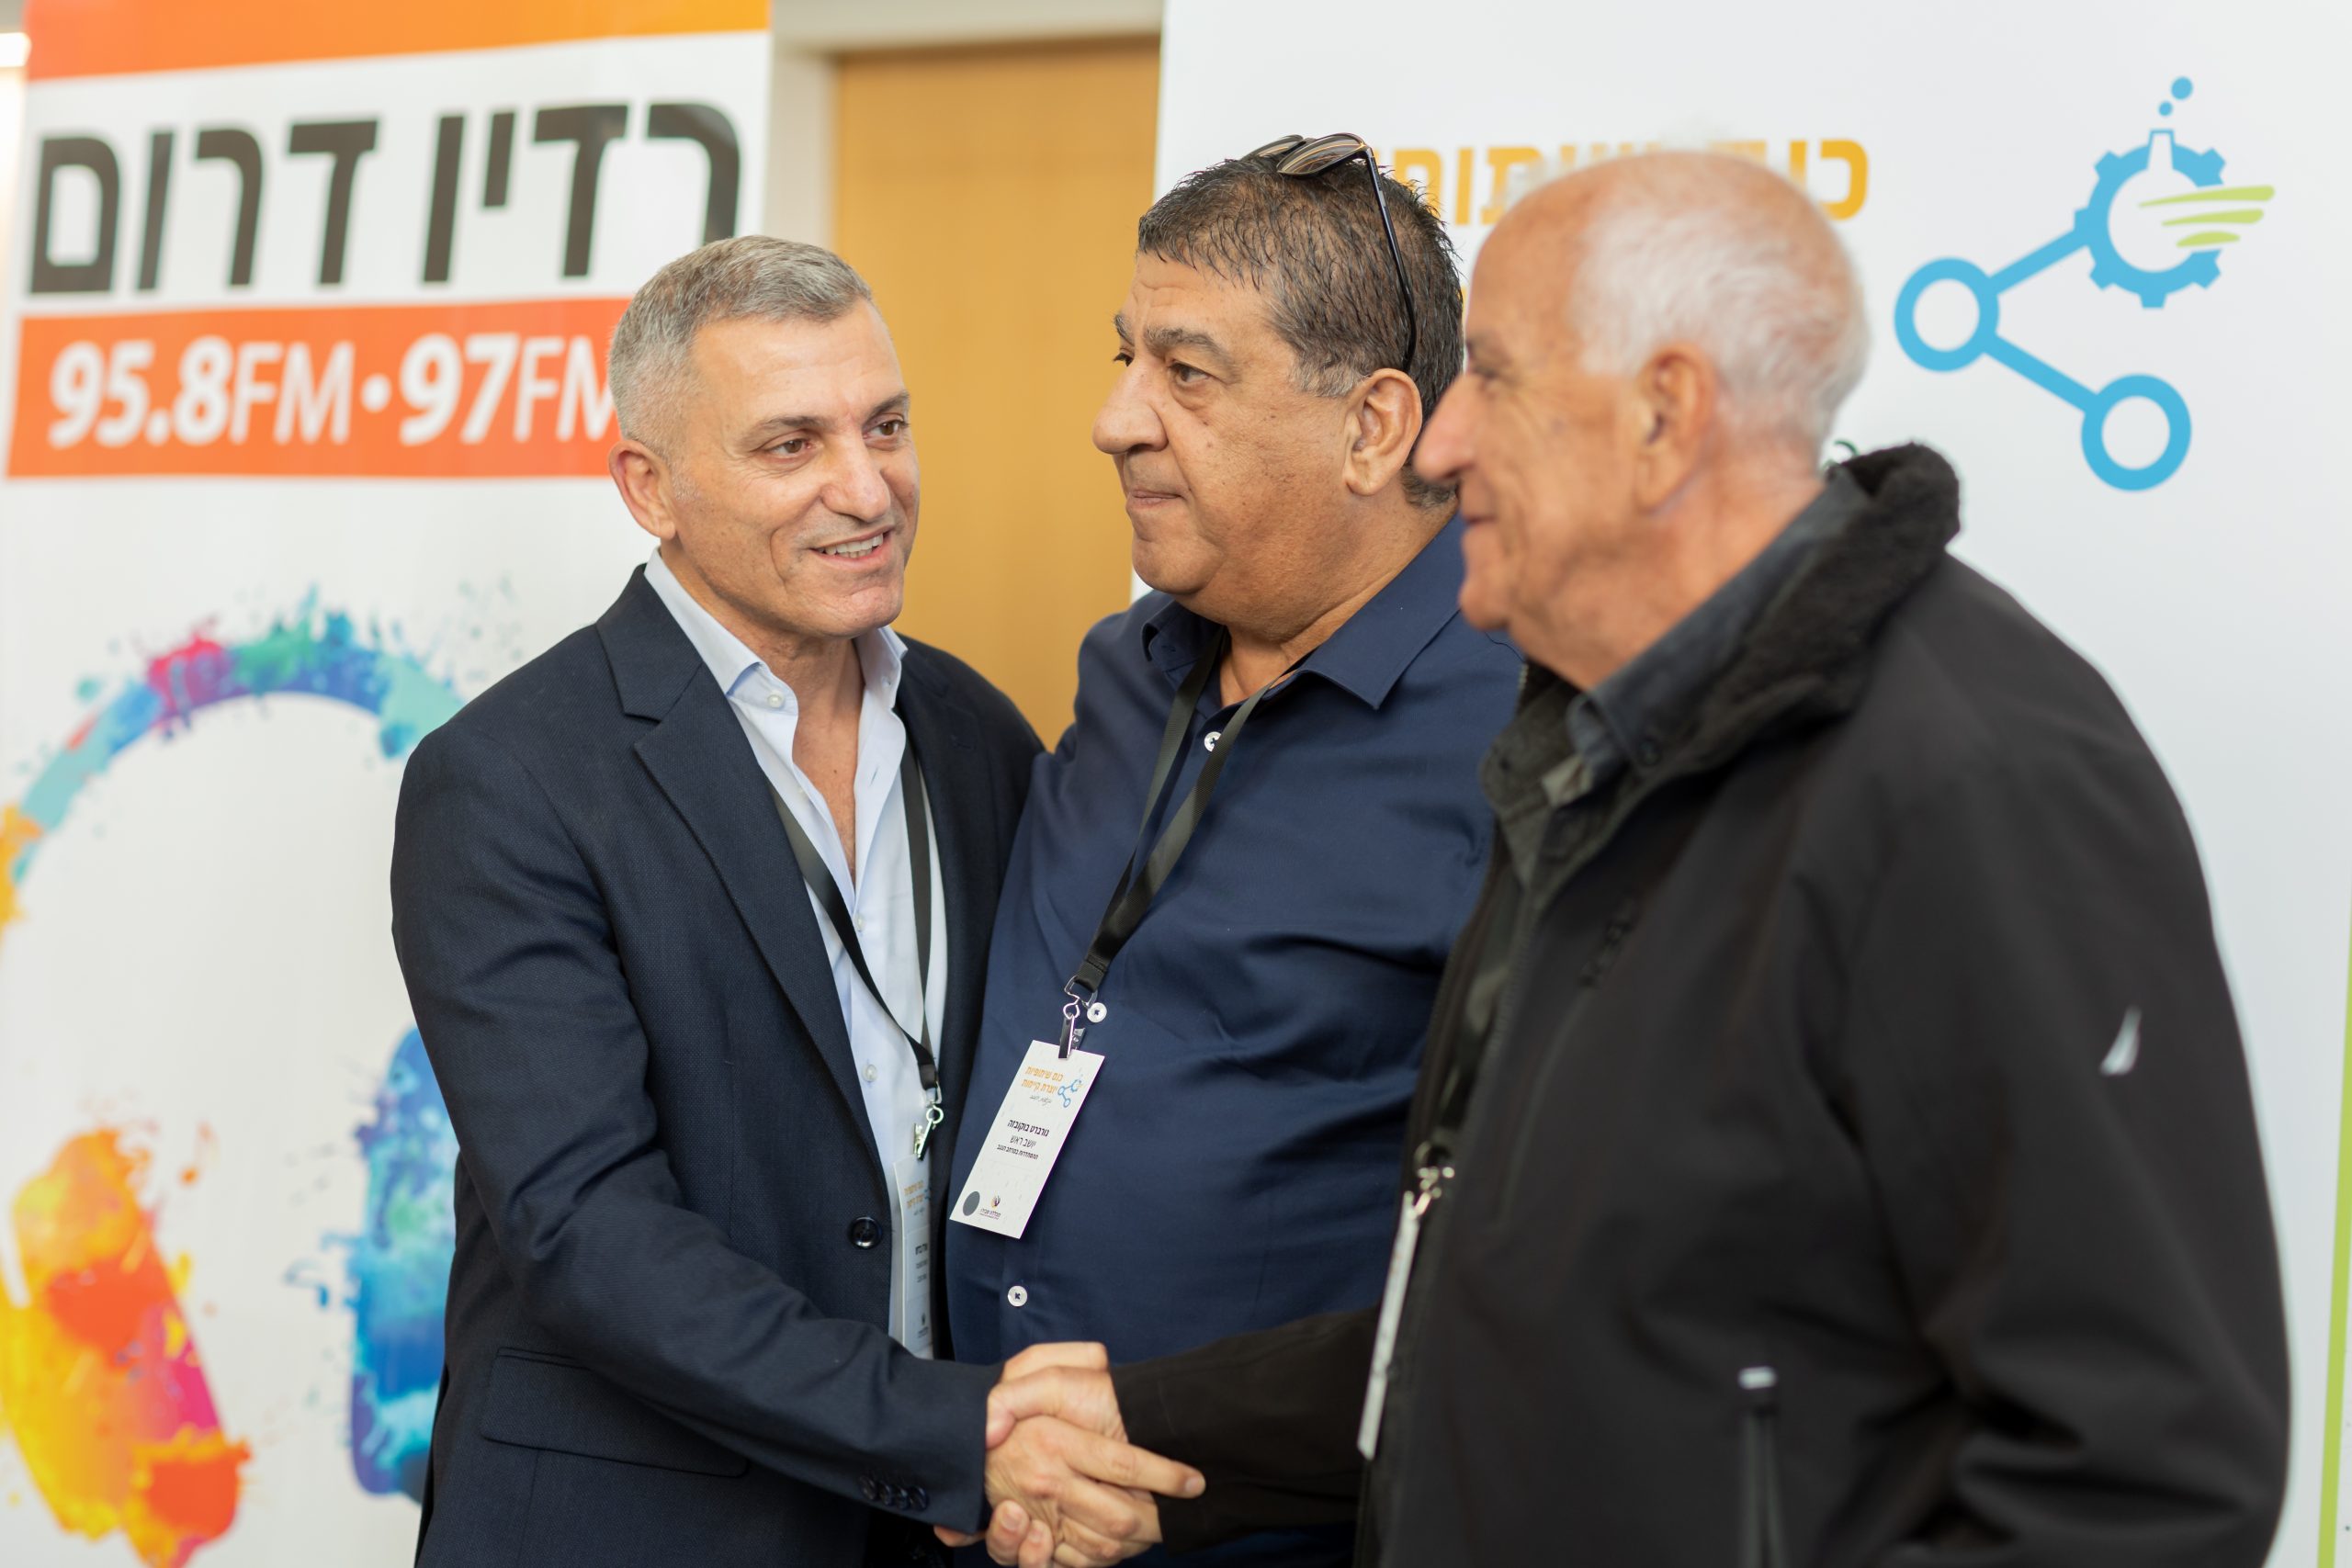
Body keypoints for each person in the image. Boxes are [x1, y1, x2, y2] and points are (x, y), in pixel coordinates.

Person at [974, 152, 2291, 1567]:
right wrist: (1165, 1423)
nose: (1442, 444)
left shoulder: (1975, 779)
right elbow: (1512, 1319)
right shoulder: (1591, 745)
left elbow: (2145, 1476)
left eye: (1492, 379)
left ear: (1665, 415)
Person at [390, 236, 1202, 1568]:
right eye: (791, 445)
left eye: (886, 426)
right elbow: (589, 1233)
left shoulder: (973, 731)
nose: (867, 488)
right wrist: (950, 1431)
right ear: (650, 488)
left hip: (939, 1524)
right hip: (639, 1525)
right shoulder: (508, 780)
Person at [939, 136, 1521, 1568]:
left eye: (1186, 375)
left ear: (1374, 427)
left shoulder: (1523, 738)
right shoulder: (1124, 669)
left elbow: (1542, 1266)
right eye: (1126, 359)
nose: (1115, 420)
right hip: (992, 1503)